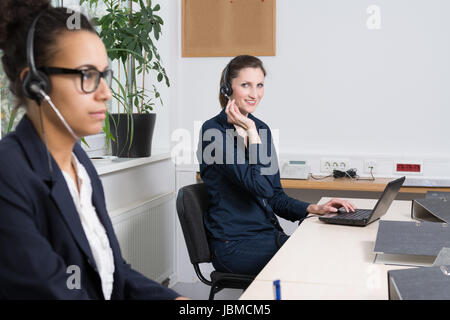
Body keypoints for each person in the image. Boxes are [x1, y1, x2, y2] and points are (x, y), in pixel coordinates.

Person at [0, 0, 185, 300]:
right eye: (87, 75)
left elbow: (115, 272)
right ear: (35, 83)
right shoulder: (9, 173)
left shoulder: (80, 164)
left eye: (104, 74)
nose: (106, 93)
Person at [198, 55, 356, 276]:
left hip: (268, 235)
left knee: (329, 248)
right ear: (227, 89)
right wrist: (251, 133)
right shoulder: (214, 133)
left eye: (260, 85)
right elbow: (259, 187)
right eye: (246, 85)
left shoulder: (261, 129)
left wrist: (313, 208)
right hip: (234, 245)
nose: (255, 94)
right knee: (316, 261)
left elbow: (274, 195)